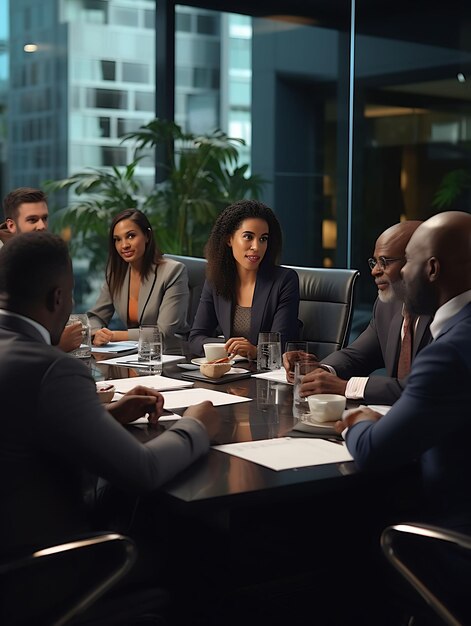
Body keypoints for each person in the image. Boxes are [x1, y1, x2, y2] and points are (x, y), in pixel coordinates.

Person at [0, 231, 219, 558]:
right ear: (58, 298)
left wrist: (109, 414)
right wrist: (196, 425)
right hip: (44, 569)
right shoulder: (53, 369)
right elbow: (143, 471)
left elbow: (23, 426)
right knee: (194, 547)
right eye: (72, 295)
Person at [338, 211, 471, 532]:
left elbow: (372, 451)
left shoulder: (448, 352)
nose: (401, 273)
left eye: (409, 261)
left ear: (432, 269)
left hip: (449, 538)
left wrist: (357, 422)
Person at [285, 221, 432, 405]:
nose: (374, 271)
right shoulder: (386, 307)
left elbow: (422, 390)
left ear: (418, 263)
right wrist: (321, 370)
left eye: (384, 262)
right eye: (374, 262)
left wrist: (347, 387)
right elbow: (356, 356)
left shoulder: (448, 316)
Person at [188, 199, 301, 358]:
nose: (256, 247)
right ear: (229, 239)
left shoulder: (284, 281)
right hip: (229, 372)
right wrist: (229, 349)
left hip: (266, 376)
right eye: (248, 237)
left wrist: (255, 352)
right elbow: (195, 338)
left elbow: (282, 345)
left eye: (263, 239)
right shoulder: (216, 280)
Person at [87, 208, 190, 354]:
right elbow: (96, 316)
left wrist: (114, 336)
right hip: (131, 356)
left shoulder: (173, 271)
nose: (124, 245)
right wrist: (97, 333)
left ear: (147, 236)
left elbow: (162, 333)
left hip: (169, 356)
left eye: (130, 236)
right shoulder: (116, 274)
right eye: (117, 239)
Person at [0, 187, 82, 353]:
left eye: (44, 218)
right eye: (32, 220)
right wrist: (56, 346)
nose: (42, 226)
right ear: (11, 225)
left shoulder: (46, 257)